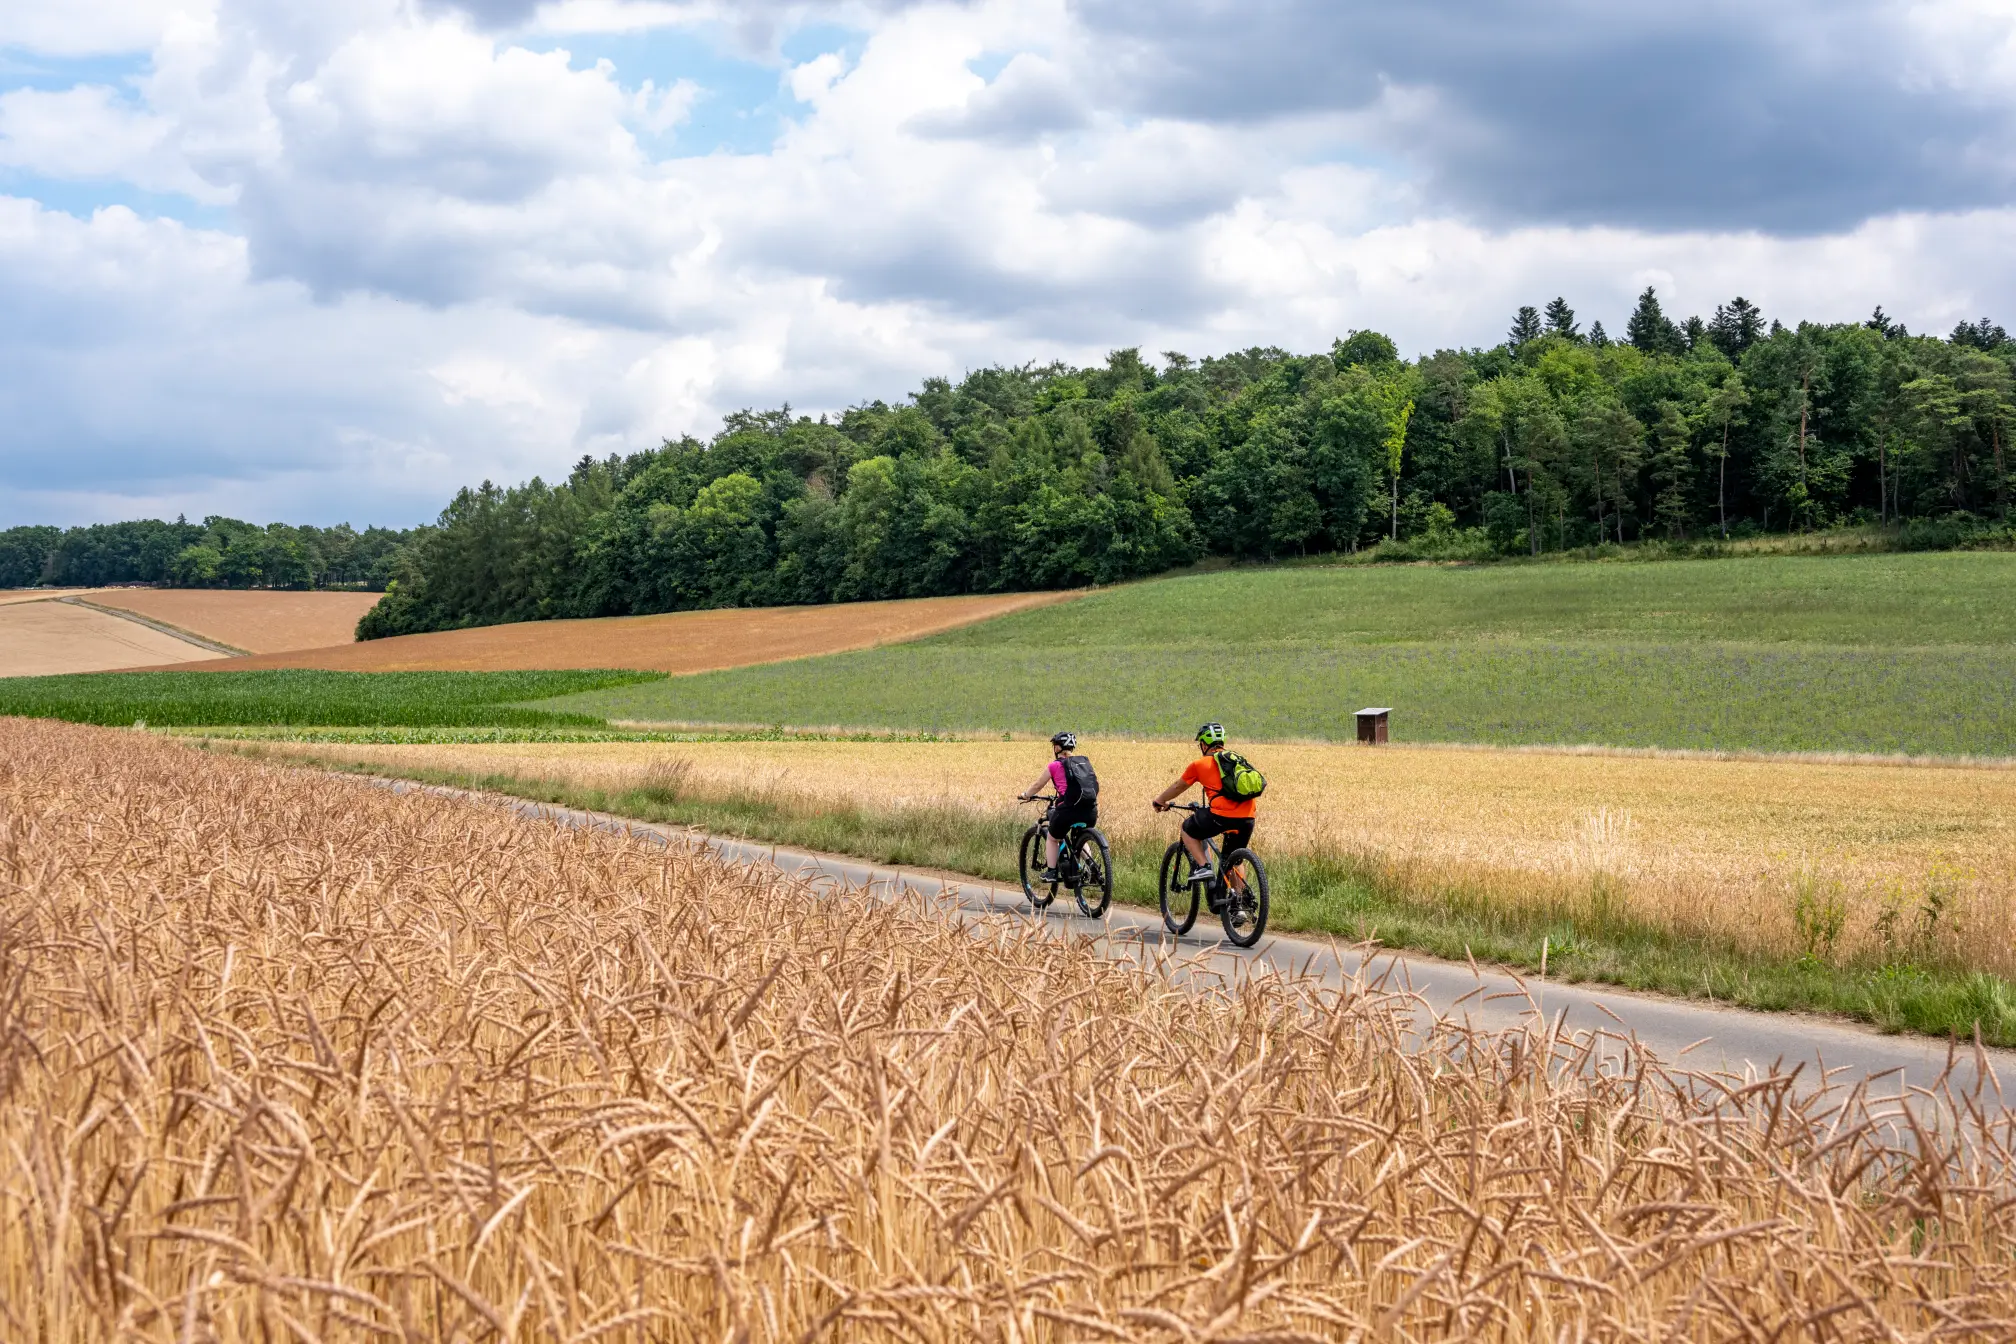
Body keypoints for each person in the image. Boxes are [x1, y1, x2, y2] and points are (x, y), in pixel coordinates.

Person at [1151, 721, 1256, 906]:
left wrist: (1160, 801)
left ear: (1204, 744)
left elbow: (1179, 786)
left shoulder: (1200, 764)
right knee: (1234, 858)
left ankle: (1204, 866)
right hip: (1248, 817)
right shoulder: (1237, 759)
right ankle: (1238, 905)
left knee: (1187, 828)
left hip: (1221, 817)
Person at [1019, 731, 1099, 882]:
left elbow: (1037, 785)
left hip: (1068, 810)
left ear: (1057, 748)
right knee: (1081, 838)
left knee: (1052, 837)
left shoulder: (1054, 766)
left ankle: (1051, 872)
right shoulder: (1083, 763)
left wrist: (1026, 795)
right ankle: (1092, 866)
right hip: (1090, 810)